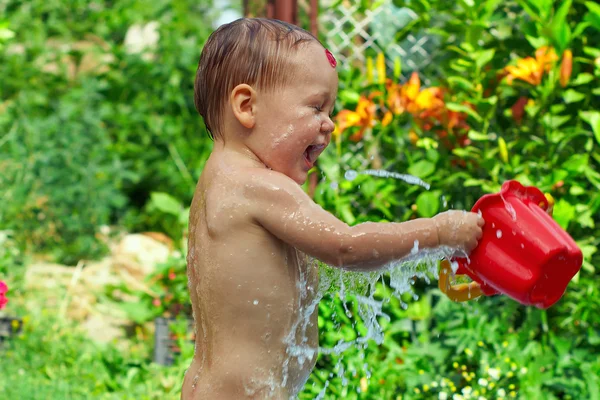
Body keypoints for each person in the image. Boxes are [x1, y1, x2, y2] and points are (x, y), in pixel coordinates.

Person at [181, 17, 484, 400]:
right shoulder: (257, 185)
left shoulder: (221, 182)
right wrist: (439, 233)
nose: (329, 125)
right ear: (246, 106)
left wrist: (428, 259)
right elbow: (347, 247)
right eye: (315, 108)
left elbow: (314, 268)